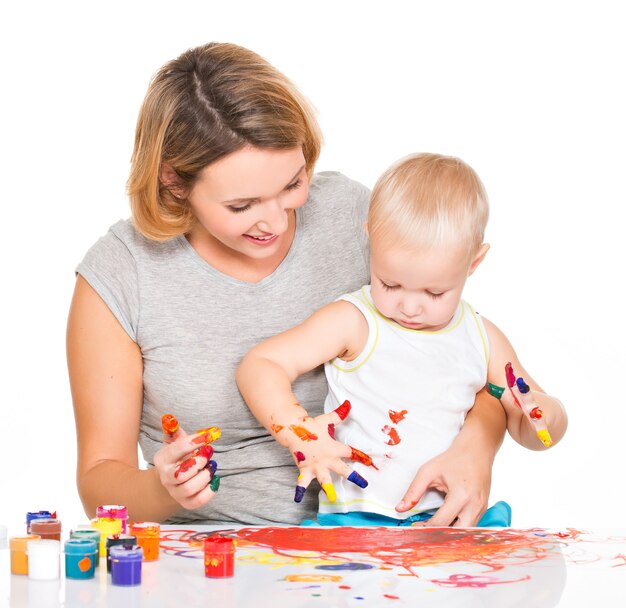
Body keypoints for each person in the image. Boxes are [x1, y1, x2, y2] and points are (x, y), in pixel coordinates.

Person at [67, 42, 507, 526]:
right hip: (215, 557)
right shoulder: (121, 272)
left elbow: (466, 357)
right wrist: (165, 486)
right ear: (173, 181)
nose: (275, 221)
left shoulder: (355, 217)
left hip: (382, 541)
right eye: (242, 206)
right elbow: (99, 486)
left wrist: (477, 448)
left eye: (293, 184)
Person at [237, 153, 568, 526]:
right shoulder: (355, 320)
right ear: (371, 241)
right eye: (389, 283)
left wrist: (544, 415)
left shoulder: (482, 337)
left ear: (473, 264)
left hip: (449, 521)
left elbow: (536, 435)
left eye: (434, 292)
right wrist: (298, 431)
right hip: (355, 522)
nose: (409, 307)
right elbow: (261, 365)